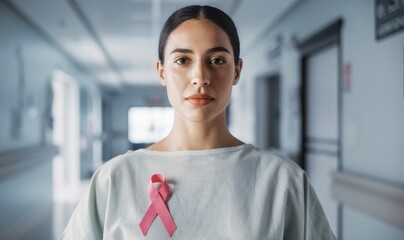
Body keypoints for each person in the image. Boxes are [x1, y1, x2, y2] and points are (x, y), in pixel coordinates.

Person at [60, 5, 336, 240]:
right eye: (182, 60)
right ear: (162, 72)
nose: (200, 77)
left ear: (237, 70)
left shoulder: (281, 180)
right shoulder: (114, 179)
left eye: (216, 60)